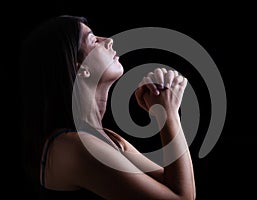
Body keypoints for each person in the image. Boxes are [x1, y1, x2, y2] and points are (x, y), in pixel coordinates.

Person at [20, 15, 196, 200]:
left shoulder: (108, 138)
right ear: (80, 68)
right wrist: (168, 115)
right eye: (94, 40)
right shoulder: (73, 147)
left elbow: (175, 184)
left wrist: (165, 110)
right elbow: (182, 197)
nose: (109, 41)